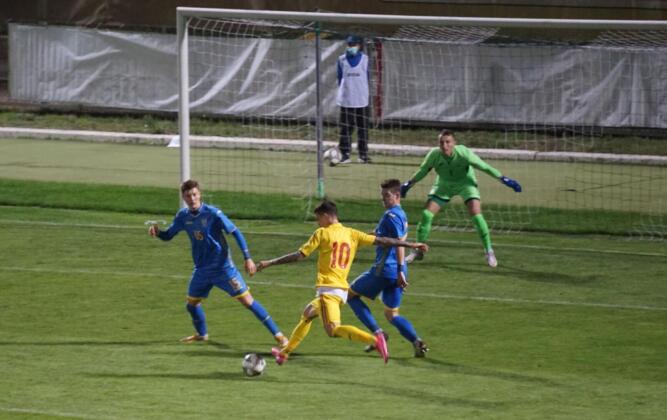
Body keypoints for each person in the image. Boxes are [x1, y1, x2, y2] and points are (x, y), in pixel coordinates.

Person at [255, 199, 429, 365]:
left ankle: (375, 340)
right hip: (341, 290)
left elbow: (299, 255)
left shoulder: (322, 233)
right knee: (307, 314)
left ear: (327, 215)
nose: (318, 223)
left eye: (318, 218)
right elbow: (384, 241)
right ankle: (284, 353)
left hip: (328, 291)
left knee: (333, 330)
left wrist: (270, 262)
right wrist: (412, 245)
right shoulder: (351, 233)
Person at [148, 179, 287, 346]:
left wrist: (247, 257)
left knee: (248, 302)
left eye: (194, 194)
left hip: (223, 269)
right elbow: (168, 235)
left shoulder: (213, 214)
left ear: (199, 194)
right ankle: (202, 334)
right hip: (202, 270)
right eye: (187, 196)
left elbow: (235, 232)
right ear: (184, 198)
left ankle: (280, 337)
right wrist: (158, 233)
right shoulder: (182, 217)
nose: (192, 199)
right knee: (191, 304)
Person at [401, 129, 522, 267]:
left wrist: (503, 179)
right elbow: (422, 171)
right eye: (441, 142)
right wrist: (407, 185)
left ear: (454, 143)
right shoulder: (434, 155)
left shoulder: (463, 153)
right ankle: (418, 251)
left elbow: (484, 167)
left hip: (466, 184)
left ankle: (489, 251)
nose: (444, 145)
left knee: (476, 215)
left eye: (448, 142)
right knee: (426, 215)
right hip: (444, 185)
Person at [347, 179, 429, 358]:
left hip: (385, 271)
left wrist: (399, 269)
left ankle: (379, 335)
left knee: (350, 295)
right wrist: (353, 241)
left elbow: (399, 244)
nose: (383, 199)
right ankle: (416, 341)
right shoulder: (399, 214)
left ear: (397, 195)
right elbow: (377, 235)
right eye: (382, 196)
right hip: (397, 271)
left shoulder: (390, 217)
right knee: (392, 314)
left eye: (387, 196)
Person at [336, 34, 371, 164]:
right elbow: (339, 78)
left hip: (362, 100)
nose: (351, 47)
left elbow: (366, 78)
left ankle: (363, 154)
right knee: (345, 128)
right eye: (349, 44)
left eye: (354, 44)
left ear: (360, 46)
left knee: (363, 129)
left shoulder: (365, 59)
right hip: (346, 100)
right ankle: (345, 154)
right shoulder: (341, 59)